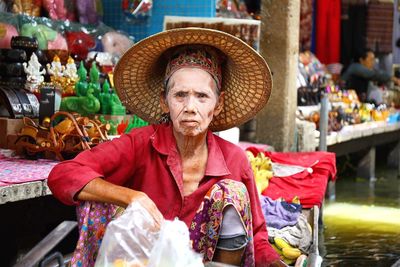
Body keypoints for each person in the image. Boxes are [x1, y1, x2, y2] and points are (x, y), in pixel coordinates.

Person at [48, 28, 286, 267]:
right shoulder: (140, 143)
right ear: (164, 101)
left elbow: (257, 236)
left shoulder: (234, 159)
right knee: (98, 199)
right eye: (180, 95)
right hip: (142, 260)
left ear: (218, 103)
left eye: (202, 96)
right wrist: (131, 197)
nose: (190, 106)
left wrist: (277, 264)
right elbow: (63, 175)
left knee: (233, 192)